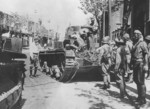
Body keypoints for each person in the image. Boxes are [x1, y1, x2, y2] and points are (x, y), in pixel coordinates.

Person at [131, 30, 148, 105]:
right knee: (136, 80)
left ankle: (143, 99)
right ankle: (139, 96)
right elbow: (132, 49)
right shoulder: (136, 42)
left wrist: (146, 65)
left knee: (141, 81)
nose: (134, 35)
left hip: (140, 63)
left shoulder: (143, 43)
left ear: (139, 35)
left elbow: (146, 54)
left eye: (135, 34)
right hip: (135, 63)